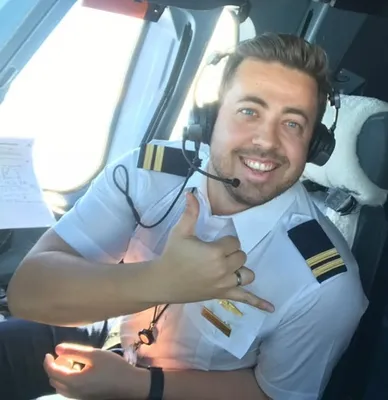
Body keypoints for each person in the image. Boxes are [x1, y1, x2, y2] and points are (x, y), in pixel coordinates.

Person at [2, 32, 368, 400]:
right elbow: (26, 293)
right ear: (210, 118)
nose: (267, 141)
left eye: (292, 124)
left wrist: (138, 385)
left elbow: (274, 395)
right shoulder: (145, 175)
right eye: (249, 112)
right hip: (113, 332)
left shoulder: (327, 286)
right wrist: (160, 281)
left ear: (314, 145)